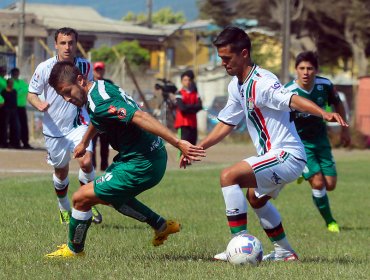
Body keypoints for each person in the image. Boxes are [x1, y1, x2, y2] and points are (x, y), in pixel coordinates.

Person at [187, 26, 347, 262]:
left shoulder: (262, 81)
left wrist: (323, 113)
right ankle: (285, 252)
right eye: (221, 58)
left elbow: (292, 99)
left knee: (228, 176)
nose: (222, 63)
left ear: (243, 54)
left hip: (287, 154)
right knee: (256, 198)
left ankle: (238, 246)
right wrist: (199, 147)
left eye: (226, 58)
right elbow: (226, 122)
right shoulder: (236, 85)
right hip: (277, 156)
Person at [45, 61, 205, 257]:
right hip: (146, 156)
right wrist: (84, 142)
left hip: (141, 163)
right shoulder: (101, 86)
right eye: (62, 95)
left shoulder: (99, 102)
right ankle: (161, 225)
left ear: (79, 80)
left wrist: (178, 142)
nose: (67, 98)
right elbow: (98, 119)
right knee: (112, 198)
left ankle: (74, 251)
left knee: (80, 199)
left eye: (68, 91)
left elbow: (140, 116)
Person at [27, 27, 102, 225]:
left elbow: (90, 91)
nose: (67, 47)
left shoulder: (85, 66)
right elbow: (31, 94)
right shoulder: (44, 67)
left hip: (79, 123)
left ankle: (87, 202)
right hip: (54, 130)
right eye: (63, 43)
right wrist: (39, 104)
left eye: (71, 43)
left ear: (76, 44)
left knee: (86, 162)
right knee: (61, 171)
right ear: (56, 45)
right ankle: (63, 207)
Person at [285, 51, 351, 233]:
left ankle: (304, 173)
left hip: (321, 139)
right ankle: (330, 221)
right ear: (296, 70)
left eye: (309, 68)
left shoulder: (325, 85)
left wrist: (345, 129)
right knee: (318, 183)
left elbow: (338, 104)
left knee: (330, 185)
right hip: (300, 143)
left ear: (316, 70)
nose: (306, 72)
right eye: (302, 68)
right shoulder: (288, 92)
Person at [91, 61, 112, 171]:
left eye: (100, 69)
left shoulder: (108, 83)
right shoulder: (90, 83)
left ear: (103, 71)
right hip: (93, 120)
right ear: (93, 71)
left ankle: (104, 167)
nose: (99, 71)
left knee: (105, 146)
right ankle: (92, 167)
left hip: (105, 120)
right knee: (92, 146)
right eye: (97, 69)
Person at [174, 70, 203, 146]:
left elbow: (200, 106)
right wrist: (193, 107)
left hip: (193, 124)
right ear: (181, 81)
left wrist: (187, 107)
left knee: (192, 148)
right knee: (183, 148)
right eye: (185, 80)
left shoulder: (195, 93)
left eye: (189, 80)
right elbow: (182, 108)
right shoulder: (179, 93)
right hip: (183, 124)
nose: (187, 82)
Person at [10, 67, 33, 149]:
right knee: (16, 126)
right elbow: (14, 91)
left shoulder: (21, 82)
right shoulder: (10, 82)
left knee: (24, 126)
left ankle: (25, 143)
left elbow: (27, 89)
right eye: (14, 74)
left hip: (22, 107)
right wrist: (21, 91)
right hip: (14, 107)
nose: (16, 75)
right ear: (12, 74)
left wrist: (20, 91)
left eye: (17, 73)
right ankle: (15, 143)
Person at [1, 78, 21, 148]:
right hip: (5, 111)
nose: (11, 84)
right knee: (4, 127)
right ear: (7, 83)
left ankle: (14, 143)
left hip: (14, 111)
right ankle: (4, 143)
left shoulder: (14, 91)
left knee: (15, 127)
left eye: (12, 83)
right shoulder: (3, 92)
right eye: (10, 83)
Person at [0, 66, 7, 148]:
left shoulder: (4, 80)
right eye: (2, 71)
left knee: (3, 125)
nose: (4, 72)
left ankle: (3, 141)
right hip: (1, 103)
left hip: (4, 105)